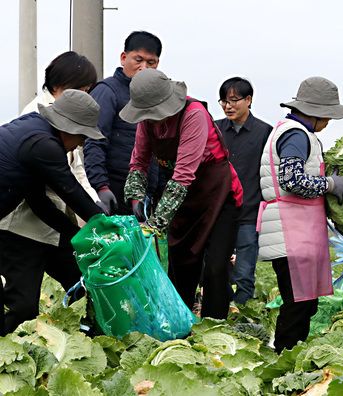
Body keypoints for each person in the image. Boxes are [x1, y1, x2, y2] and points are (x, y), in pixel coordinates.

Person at [121, 69, 243, 320]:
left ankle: (213, 325)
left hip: (217, 194)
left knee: (216, 267)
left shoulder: (193, 114)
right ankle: (180, 323)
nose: (152, 119)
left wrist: (156, 224)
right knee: (181, 264)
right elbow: (139, 163)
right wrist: (135, 198)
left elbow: (183, 175)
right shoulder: (147, 122)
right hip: (184, 200)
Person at [257, 77, 343, 353]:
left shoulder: (292, 131)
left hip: (293, 230)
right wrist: (330, 184)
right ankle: (285, 357)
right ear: (317, 112)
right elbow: (292, 179)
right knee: (298, 303)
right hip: (291, 231)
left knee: (304, 302)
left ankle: (289, 355)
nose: (329, 122)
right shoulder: (296, 135)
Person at [0, 89, 106, 334]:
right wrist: (102, 221)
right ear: (69, 128)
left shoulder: (31, 129)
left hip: (22, 222)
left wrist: (73, 235)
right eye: (82, 136)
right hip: (12, 232)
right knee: (22, 307)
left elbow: (38, 201)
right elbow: (70, 190)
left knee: (76, 279)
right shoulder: (44, 145)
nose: (81, 143)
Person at [84, 31, 162, 215]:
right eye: (138, 60)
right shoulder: (107, 91)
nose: (144, 67)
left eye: (151, 63)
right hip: (113, 191)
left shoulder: (155, 98)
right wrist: (101, 187)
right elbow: (94, 141)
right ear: (123, 57)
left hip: (144, 195)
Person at [215, 77, 272, 305]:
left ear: (248, 100)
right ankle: (219, 311)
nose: (228, 106)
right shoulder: (216, 130)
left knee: (244, 274)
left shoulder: (264, 133)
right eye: (224, 101)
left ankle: (242, 317)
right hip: (219, 213)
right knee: (216, 269)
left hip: (249, 213)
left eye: (234, 100)